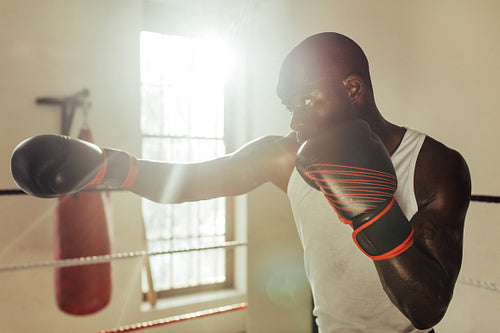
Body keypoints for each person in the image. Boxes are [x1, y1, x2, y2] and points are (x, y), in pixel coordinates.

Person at [11, 32, 471, 332]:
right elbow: (189, 182)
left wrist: (374, 211)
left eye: (307, 101)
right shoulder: (284, 155)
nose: (297, 120)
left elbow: (428, 307)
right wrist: (107, 165)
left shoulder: (434, 165)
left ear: (353, 90)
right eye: (289, 106)